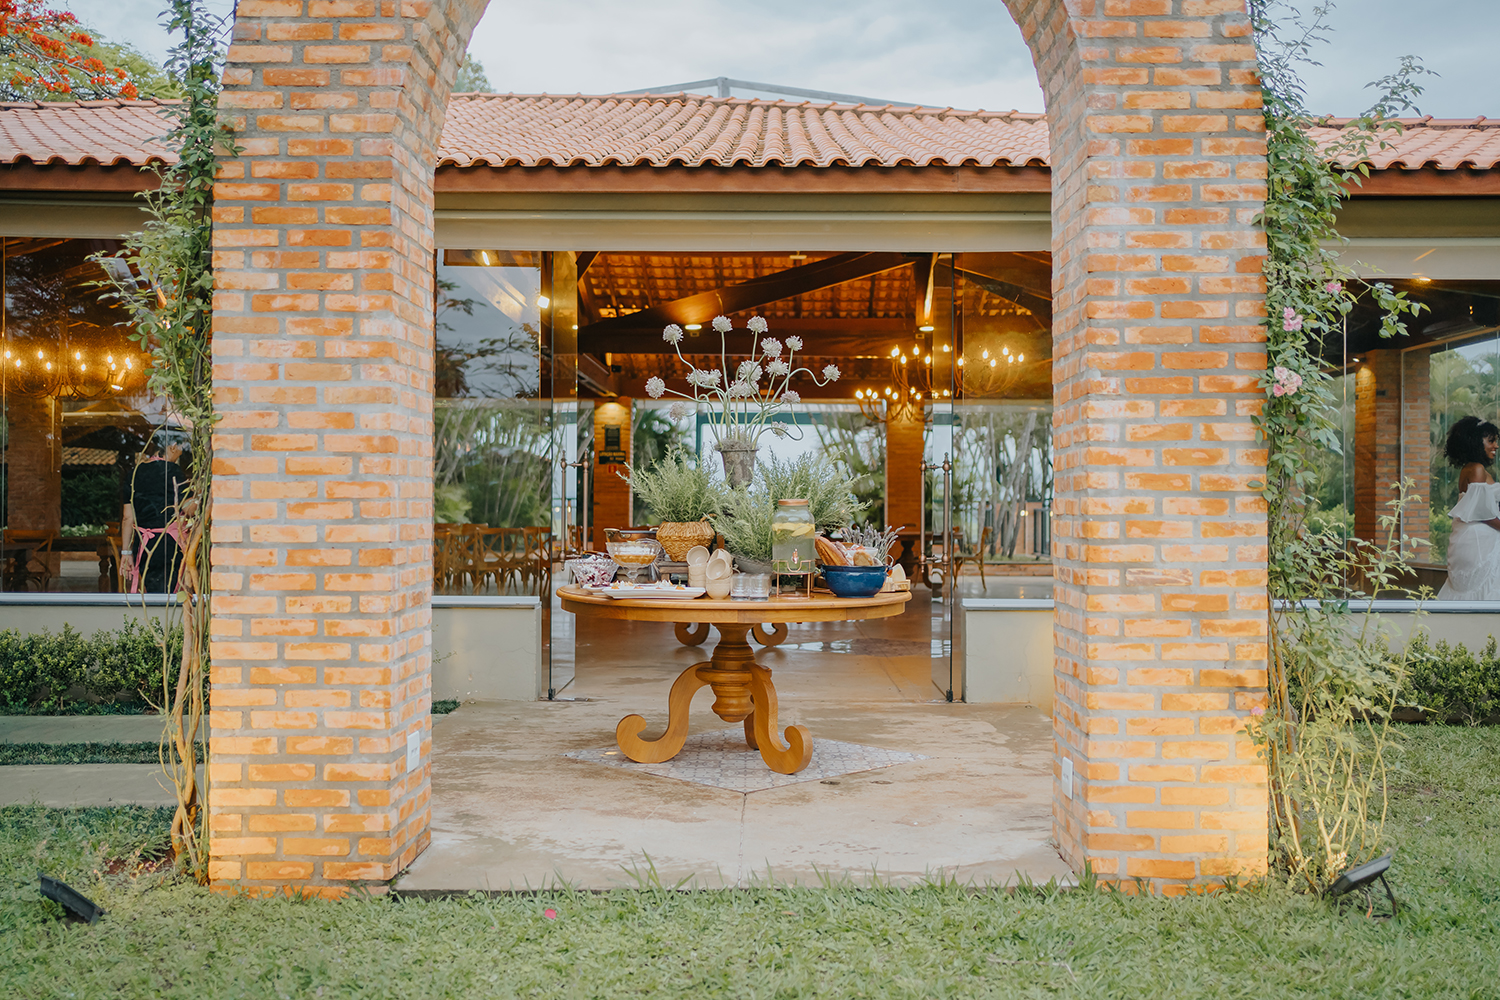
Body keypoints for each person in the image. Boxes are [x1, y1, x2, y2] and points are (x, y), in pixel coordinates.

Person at [1437, 415, 1500, 601]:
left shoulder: (1470, 468)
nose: (1495, 446)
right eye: (1491, 441)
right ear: (1475, 442)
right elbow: (1482, 512)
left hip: (1470, 537)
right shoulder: (1477, 469)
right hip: (1479, 541)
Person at [120, 438, 195, 593]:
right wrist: (201, 494)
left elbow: (127, 518)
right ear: (173, 447)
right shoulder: (172, 471)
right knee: (172, 591)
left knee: (154, 590)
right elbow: (189, 508)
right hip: (169, 543)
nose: (181, 454)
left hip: (143, 543)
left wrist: (125, 553)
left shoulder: (133, 473)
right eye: (181, 450)